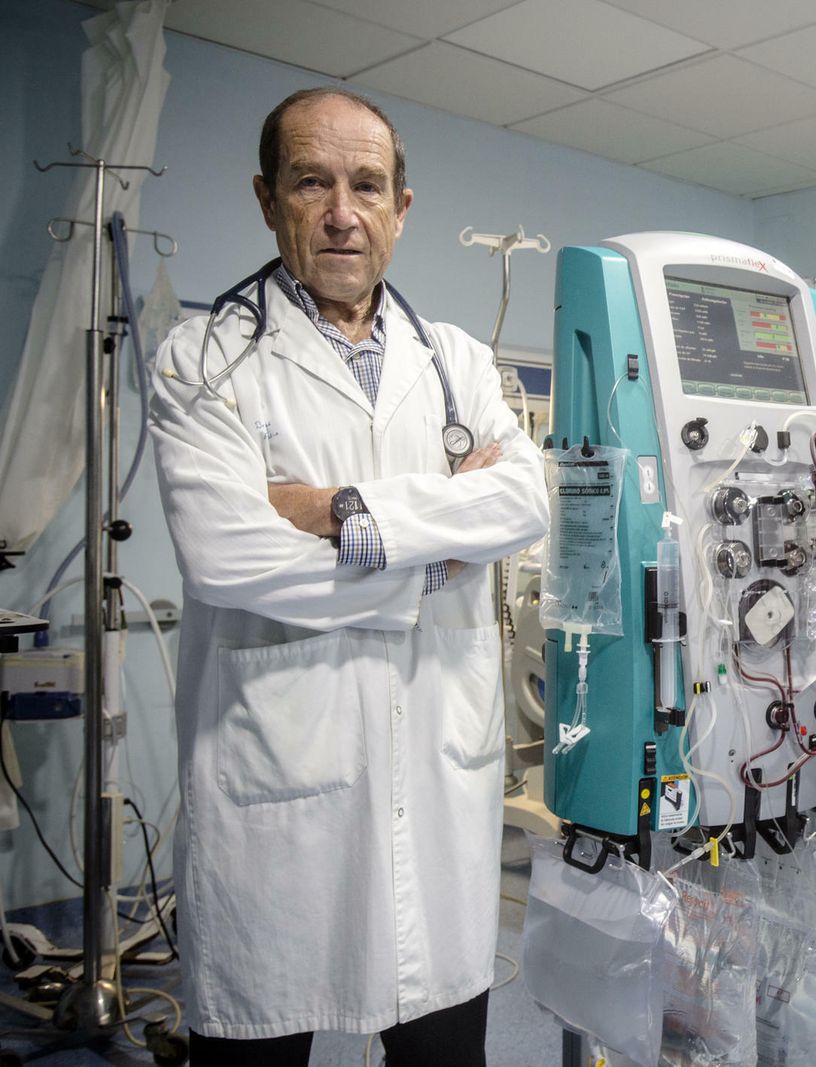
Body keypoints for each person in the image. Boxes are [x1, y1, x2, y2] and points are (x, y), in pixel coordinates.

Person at [149, 87, 547, 1066]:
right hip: (278, 792)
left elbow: (524, 504)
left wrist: (336, 511)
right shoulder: (203, 360)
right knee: (260, 1038)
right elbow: (228, 554)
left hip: (435, 789)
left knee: (441, 1046)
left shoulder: (456, 362)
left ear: (401, 207)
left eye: (367, 185)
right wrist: (430, 561)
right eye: (311, 181)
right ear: (265, 196)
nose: (341, 211)